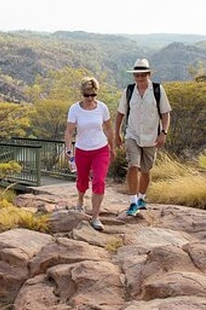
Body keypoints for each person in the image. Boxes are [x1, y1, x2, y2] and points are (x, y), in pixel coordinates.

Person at [114, 58, 172, 216]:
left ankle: (141, 198)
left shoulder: (158, 90)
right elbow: (120, 113)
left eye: (142, 75)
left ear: (148, 74)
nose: (139, 78)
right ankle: (133, 202)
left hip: (151, 137)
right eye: (137, 75)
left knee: (146, 170)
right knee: (133, 166)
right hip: (132, 134)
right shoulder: (129, 91)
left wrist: (163, 133)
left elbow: (166, 113)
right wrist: (117, 133)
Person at [64, 77, 113, 231]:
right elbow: (69, 131)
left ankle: (95, 216)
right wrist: (68, 149)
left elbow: (109, 128)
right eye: (87, 95)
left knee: (99, 180)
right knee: (82, 180)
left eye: (93, 95)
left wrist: (113, 146)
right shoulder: (74, 109)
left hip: (101, 149)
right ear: (82, 93)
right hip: (82, 149)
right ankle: (80, 200)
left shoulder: (102, 108)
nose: (90, 98)